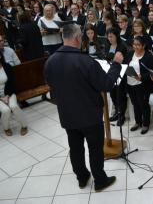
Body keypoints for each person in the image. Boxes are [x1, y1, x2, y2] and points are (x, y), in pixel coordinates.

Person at [44, 23, 122, 192]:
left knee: (75, 148)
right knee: (95, 149)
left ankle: (82, 177)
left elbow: (51, 85)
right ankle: (100, 180)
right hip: (89, 115)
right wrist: (116, 64)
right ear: (78, 38)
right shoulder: (86, 61)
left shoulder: (50, 61)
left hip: (67, 114)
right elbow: (107, 84)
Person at [126, 36, 153, 134]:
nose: (136, 47)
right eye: (134, 44)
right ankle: (137, 122)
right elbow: (125, 65)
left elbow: (152, 72)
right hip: (130, 83)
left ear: (143, 46)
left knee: (143, 104)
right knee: (135, 104)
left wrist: (141, 77)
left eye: (138, 45)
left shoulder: (148, 57)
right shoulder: (130, 54)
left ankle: (145, 124)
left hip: (142, 84)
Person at [0, 51, 27, 136]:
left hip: (9, 93)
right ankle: (6, 128)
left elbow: (12, 82)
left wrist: (7, 95)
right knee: (5, 110)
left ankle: (24, 126)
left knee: (14, 106)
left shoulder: (7, 66)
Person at [105, 27, 128, 126]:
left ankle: (121, 115)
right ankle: (116, 113)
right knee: (112, 95)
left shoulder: (121, 46)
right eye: (108, 37)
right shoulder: (107, 45)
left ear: (116, 36)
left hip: (120, 74)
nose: (109, 39)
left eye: (111, 36)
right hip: (110, 73)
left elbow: (120, 60)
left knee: (120, 96)